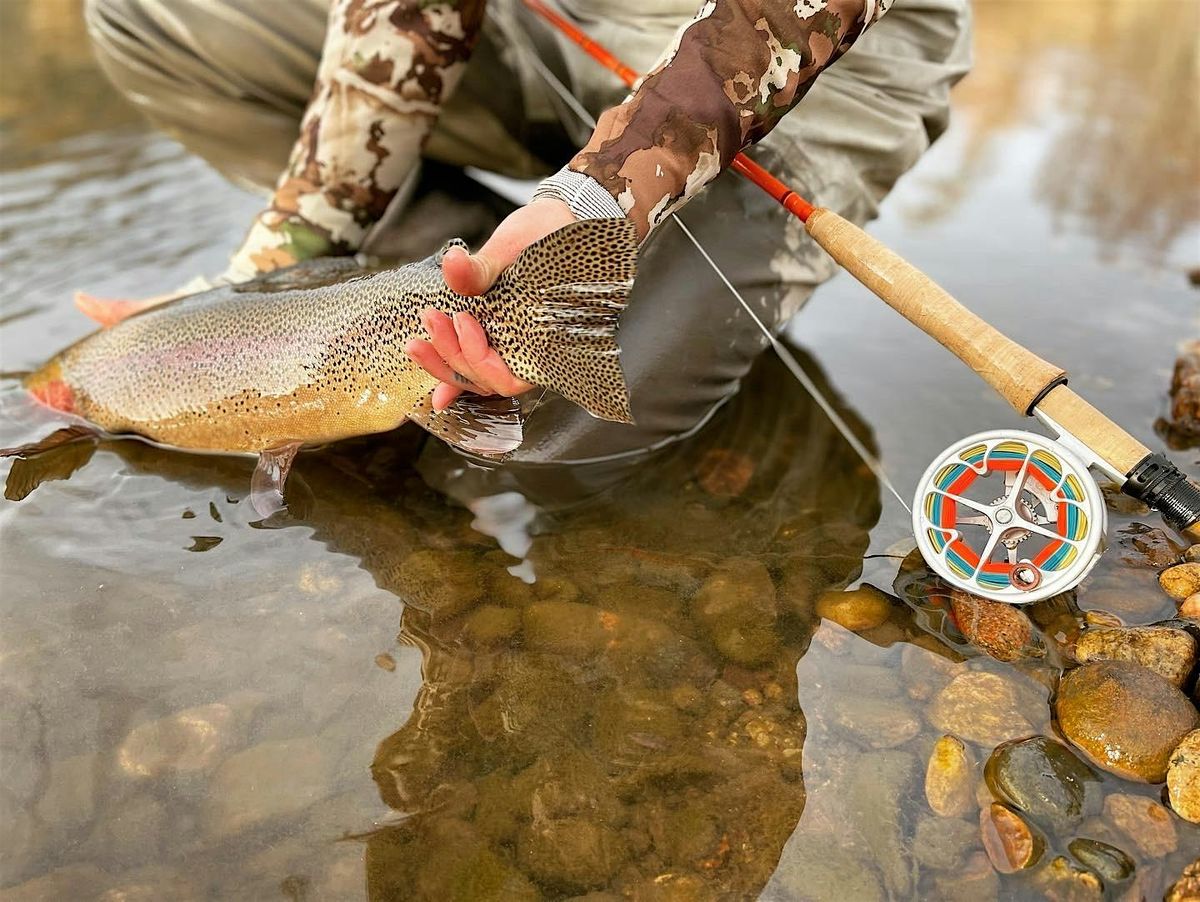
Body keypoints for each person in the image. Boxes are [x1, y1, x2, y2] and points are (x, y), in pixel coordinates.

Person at [83, 0, 970, 498]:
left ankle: (481, 298)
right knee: (146, 16)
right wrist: (262, 286)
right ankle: (433, 279)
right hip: (564, 19)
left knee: (553, 427)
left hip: (825, 53)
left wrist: (596, 196)